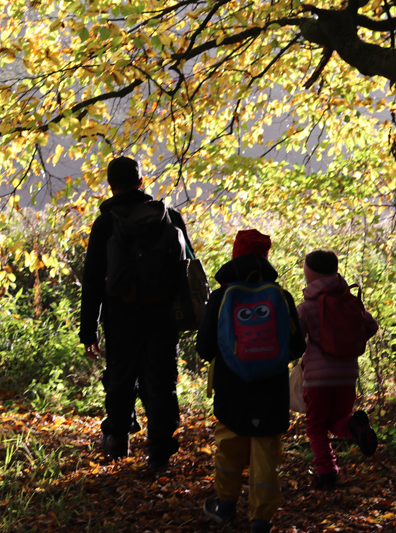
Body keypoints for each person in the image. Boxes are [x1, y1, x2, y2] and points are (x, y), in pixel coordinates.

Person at [79, 156, 192, 474]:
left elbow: (92, 279)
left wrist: (88, 330)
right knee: (160, 382)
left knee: (120, 377)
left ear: (111, 186)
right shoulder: (169, 217)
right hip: (163, 315)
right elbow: (189, 268)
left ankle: (117, 438)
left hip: (120, 313)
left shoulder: (105, 223)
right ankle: (159, 456)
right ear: (141, 182)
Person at [195, 229, 306, 531]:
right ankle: (261, 520)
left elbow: (204, 348)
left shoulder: (220, 297)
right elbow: (298, 347)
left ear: (235, 255)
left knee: (229, 444)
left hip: (231, 389)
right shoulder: (281, 297)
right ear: (266, 257)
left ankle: (225, 505)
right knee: (266, 452)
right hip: (271, 390)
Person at [297, 249, 379, 489]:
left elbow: (296, 339)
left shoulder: (307, 306)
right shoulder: (348, 300)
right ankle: (356, 427)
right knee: (338, 420)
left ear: (310, 274)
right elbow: (371, 326)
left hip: (317, 378)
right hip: (347, 376)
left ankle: (327, 472)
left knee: (316, 425)